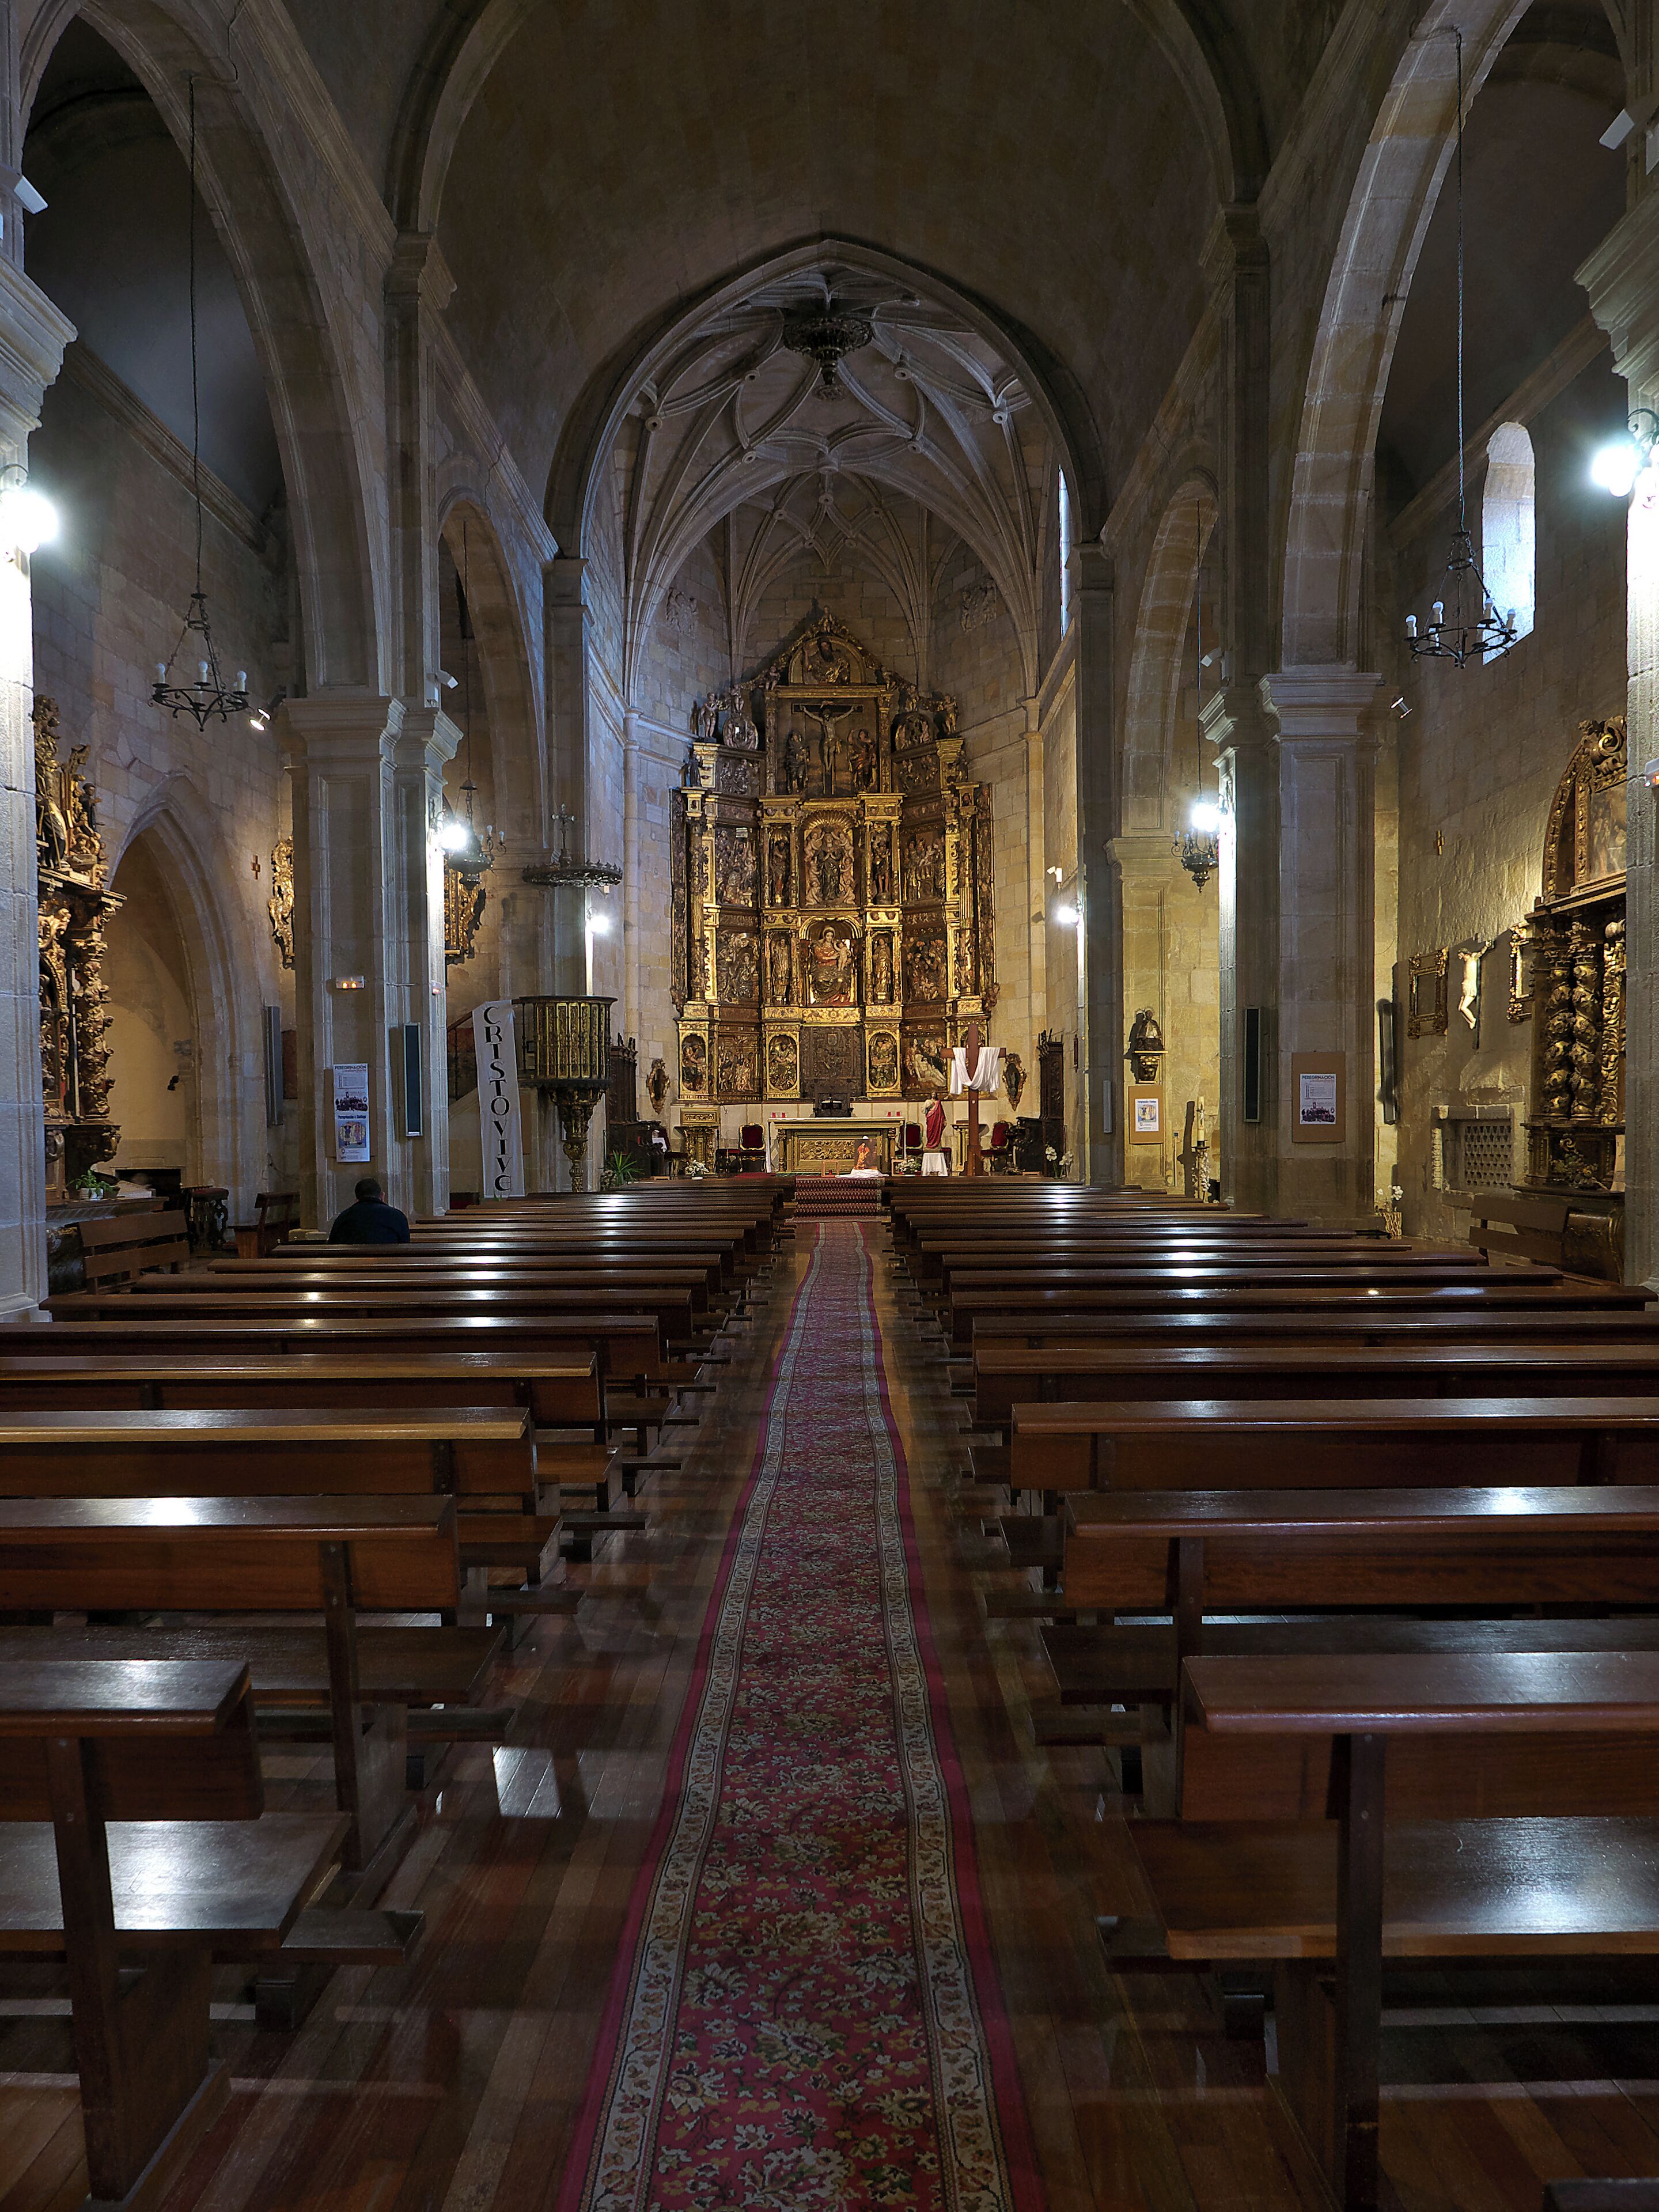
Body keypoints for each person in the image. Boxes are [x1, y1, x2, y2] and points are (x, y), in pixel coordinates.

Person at [328, 1175, 411, 1244]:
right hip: (387, 1263)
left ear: (357, 1199)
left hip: (352, 1263)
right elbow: (406, 1246)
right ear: (382, 1196)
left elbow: (332, 1245)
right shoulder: (397, 1216)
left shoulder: (343, 1217)